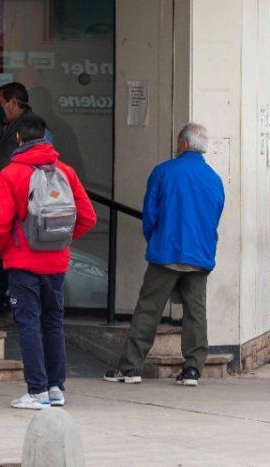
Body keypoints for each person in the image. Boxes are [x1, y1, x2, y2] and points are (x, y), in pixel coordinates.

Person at [0, 113, 96, 410]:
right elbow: (88, 217)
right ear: (46, 137)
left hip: (23, 263)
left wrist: (7, 249)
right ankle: (55, 388)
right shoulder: (66, 171)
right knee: (53, 323)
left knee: (28, 324)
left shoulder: (10, 174)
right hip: (57, 263)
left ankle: (36, 392)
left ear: (18, 139)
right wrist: (62, 240)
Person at [104, 123, 225, 387]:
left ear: (183, 143)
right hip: (199, 254)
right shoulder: (214, 178)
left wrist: (154, 239)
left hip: (167, 251)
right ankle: (193, 368)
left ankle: (131, 367)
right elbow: (214, 216)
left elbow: (151, 214)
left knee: (149, 309)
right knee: (196, 312)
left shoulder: (164, 171)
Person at [0, 82, 50, 329]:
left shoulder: (33, 127)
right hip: (0, 206)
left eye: (0, 103)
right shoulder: (6, 126)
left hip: (19, 208)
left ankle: (13, 309)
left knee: (15, 261)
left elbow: (43, 165)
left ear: (14, 103)